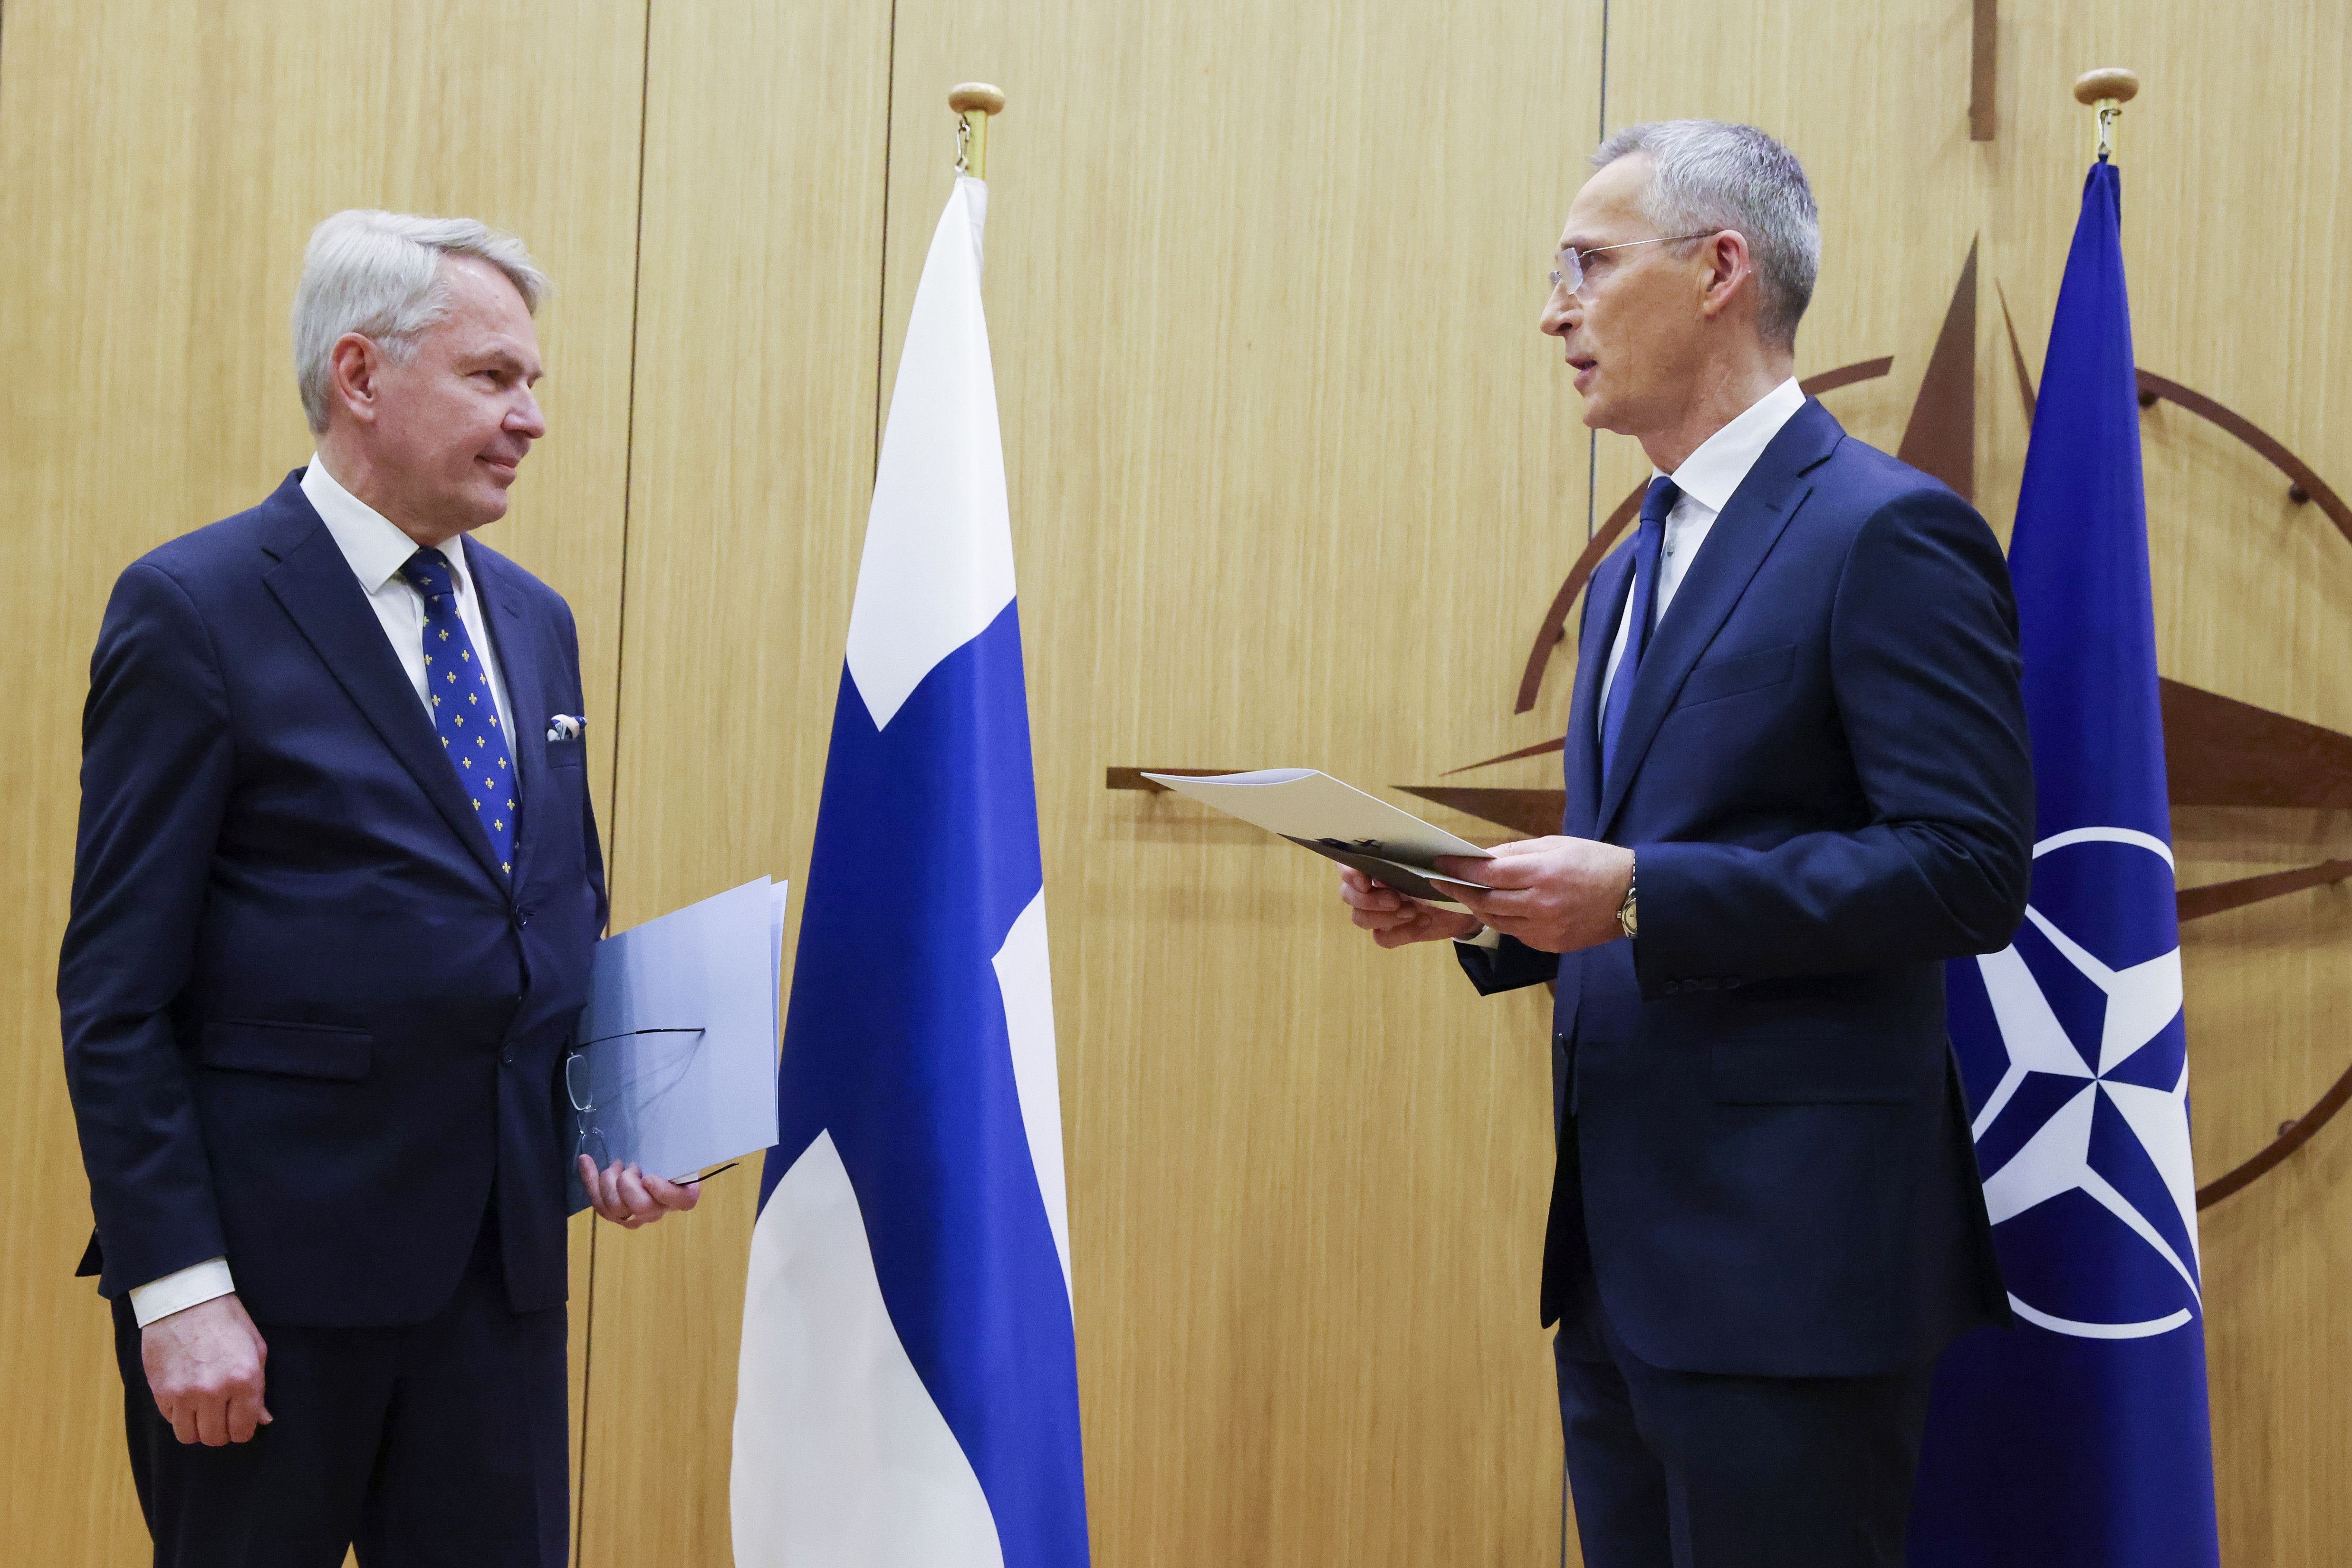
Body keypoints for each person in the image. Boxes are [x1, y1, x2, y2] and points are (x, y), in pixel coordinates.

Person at [1338, 122, 2034, 1568]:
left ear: (1722, 269)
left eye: (1586, 265)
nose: (1554, 310)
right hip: (1618, 1267)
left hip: (1792, 1278)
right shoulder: (1635, 562)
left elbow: (1967, 866)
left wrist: (1642, 894)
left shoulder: (1887, 533)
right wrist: (1481, 907)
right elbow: (1655, 869)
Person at [59, 210, 695, 1567]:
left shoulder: (536, 619)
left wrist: (611, 1115)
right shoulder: (197, 607)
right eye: (494, 377)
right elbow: (115, 995)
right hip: (267, 1303)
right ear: (360, 376)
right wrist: (178, 1289)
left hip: (499, 1290)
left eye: (535, 384)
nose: (532, 417)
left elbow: (542, 911)